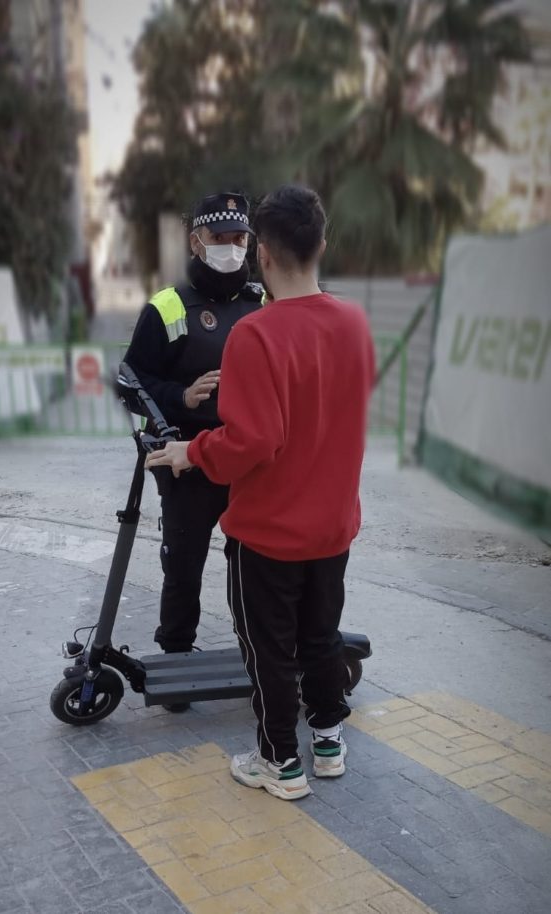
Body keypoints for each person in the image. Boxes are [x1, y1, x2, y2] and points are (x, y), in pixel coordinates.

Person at [146, 184, 375, 798]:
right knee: (321, 636)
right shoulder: (354, 322)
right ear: (322, 245)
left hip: (269, 535)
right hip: (333, 527)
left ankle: (280, 762)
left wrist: (188, 452)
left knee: (270, 649)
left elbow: (251, 441)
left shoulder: (257, 334)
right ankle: (326, 740)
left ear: (262, 255)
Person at [123, 192, 263, 710]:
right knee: (183, 561)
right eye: (220, 239)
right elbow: (131, 378)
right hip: (187, 459)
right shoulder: (169, 306)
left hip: (246, 457)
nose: (231, 248)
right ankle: (176, 654)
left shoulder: (262, 303)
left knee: (251, 561)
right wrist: (180, 396)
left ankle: (257, 648)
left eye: (239, 239)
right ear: (196, 241)